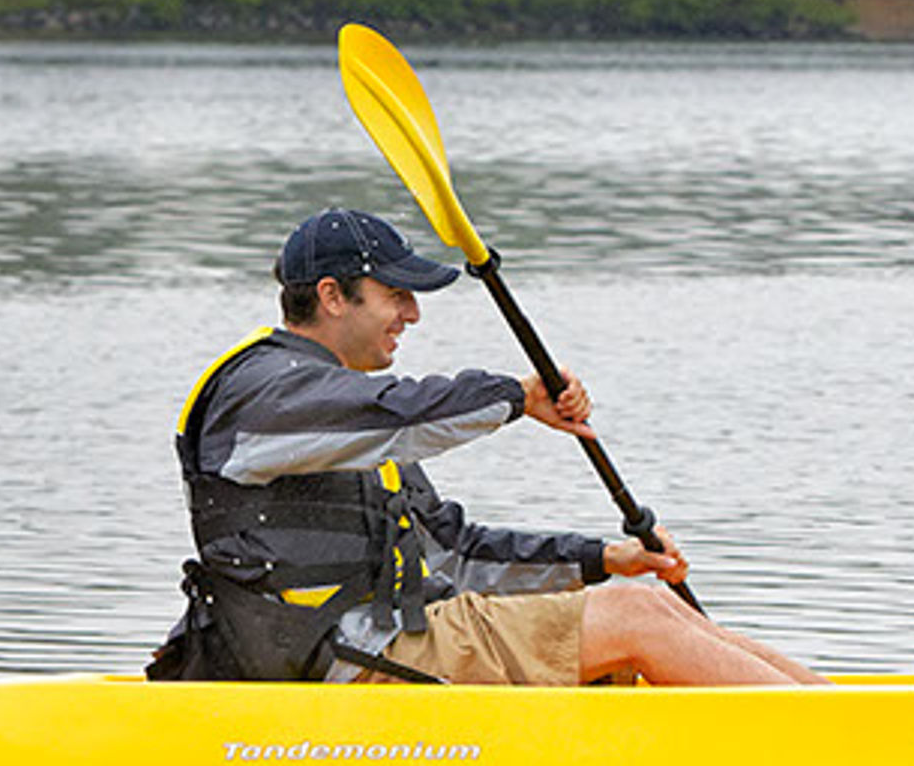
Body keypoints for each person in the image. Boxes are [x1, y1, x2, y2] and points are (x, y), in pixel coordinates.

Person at [153, 207, 821, 688]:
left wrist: (603, 557)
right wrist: (514, 398)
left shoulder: (350, 415)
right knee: (637, 619)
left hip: (392, 630)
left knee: (648, 600)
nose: (411, 314)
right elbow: (401, 411)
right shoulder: (260, 393)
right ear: (332, 296)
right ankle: (847, 744)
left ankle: (844, 714)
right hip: (331, 652)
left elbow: (456, 552)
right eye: (395, 294)